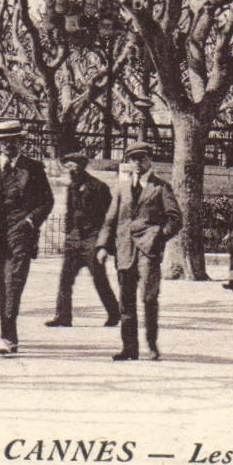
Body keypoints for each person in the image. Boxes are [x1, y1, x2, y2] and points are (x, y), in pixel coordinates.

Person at [97, 142, 182, 361]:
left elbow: (175, 218)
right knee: (126, 300)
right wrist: (103, 246)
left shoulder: (160, 187)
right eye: (133, 159)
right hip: (125, 250)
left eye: (141, 158)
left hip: (148, 251)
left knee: (148, 297)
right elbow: (110, 219)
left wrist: (158, 237)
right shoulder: (122, 187)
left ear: (149, 160)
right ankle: (129, 348)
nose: (137, 163)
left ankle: (152, 345)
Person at [0, 120, 54, 355]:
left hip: (21, 233)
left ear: (21, 142)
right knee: (2, 286)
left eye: (13, 141)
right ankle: (10, 335)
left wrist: (30, 221)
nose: (8, 145)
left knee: (13, 284)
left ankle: (7, 337)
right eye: (4, 141)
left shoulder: (34, 168)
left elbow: (47, 201)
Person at [46, 150, 120, 329]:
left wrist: (103, 244)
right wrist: (68, 234)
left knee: (99, 278)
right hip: (74, 239)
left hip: (92, 238)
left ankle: (114, 313)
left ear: (82, 167)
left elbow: (109, 217)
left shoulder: (99, 187)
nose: (71, 170)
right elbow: (69, 212)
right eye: (68, 167)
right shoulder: (72, 187)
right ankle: (63, 316)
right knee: (65, 279)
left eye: (74, 166)